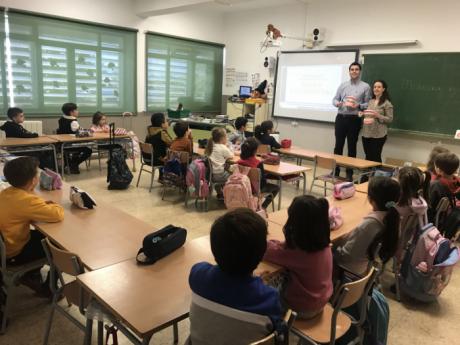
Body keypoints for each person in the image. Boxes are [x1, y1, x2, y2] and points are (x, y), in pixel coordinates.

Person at [188, 208, 282, 344]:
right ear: (261, 254)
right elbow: (276, 328)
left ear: (214, 249)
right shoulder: (269, 298)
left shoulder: (198, 276)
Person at [0, 157, 64, 295]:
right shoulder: (26, 200)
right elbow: (57, 214)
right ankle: (50, 289)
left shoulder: (6, 192)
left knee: (43, 235)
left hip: (6, 246)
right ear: (33, 180)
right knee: (61, 244)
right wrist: (53, 204)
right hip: (14, 253)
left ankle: (31, 273)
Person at [264, 195, 333, 319]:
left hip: (300, 309)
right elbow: (283, 249)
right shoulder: (323, 243)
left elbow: (266, 251)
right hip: (322, 300)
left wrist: (270, 241)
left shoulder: (297, 252)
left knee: (265, 286)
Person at [335, 176, 400, 276]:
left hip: (347, 268)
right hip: (363, 266)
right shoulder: (392, 217)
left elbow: (346, 255)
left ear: (370, 199)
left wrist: (335, 245)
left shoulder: (370, 224)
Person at [332, 62, 371, 181]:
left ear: (360, 71)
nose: (354, 71)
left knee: (351, 147)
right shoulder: (343, 85)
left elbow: (368, 104)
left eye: (356, 69)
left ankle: (349, 172)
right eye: (352, 69)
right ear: (349, 71)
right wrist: (337, 103)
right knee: (338, 145)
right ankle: (335, 169)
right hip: (341, 117)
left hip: (354, 119)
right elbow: (334, 99)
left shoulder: (366, 87)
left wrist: (358, 105)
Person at [237, 137, 279, 209]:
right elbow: (262, 182)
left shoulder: (239, 162)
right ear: (255, 151)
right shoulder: (258, 163)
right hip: (254, 190)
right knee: (277, 187)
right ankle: (263, 207)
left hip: (242, 187)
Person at [361, 80, 393, 163]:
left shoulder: (387, 103)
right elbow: (368, 114)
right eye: (375, 87)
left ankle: (376, 175)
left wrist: (378, 116)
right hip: (366, 133)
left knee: (375, 157)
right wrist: (362, 113)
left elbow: (390, 119)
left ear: (383, 89)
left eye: (379, 87)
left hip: (379, 134)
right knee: (368, 156)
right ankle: (366, 175)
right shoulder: (370, 101)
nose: (376, 89)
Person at [57, 102, 93, 174]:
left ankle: (70, 164)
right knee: (88, 150)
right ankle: (73, 164)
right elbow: (80, 132)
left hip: (63, 144)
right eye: (76, 110)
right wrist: (89, 132)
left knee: (79, 150)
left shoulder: (61, 119)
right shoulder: (73, 121)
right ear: (71, 112)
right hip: (71, 144)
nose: (78, 111)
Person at [429, 152, 460, 219]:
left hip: (435, 221)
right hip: (450, 220)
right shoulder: (457, 183)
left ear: (439, 170)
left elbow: (428, 207)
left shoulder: (436, 185)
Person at [205, 127, 234, 198]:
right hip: (219, 176)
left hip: (210, 175)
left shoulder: (211, 146)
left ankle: (220, 193)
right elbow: (231, 156)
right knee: (234, 175)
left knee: (225, 169)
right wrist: (227, 147)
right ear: (222, 138)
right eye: (226, 136)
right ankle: (229, 196)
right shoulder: (222, 147)